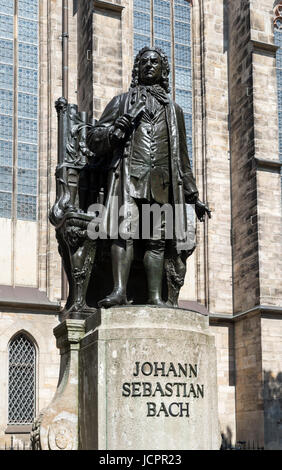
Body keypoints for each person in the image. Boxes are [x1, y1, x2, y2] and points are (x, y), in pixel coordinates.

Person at [86, 47, 210, 308]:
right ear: (137, 68)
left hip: (162, 183)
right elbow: (93, 137)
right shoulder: (121, 102)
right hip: (129, 178)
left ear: (163, 69)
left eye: (155, 62)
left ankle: (155, 297)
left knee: (157, 240)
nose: (149, 65)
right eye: (144, 62)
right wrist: (115, 132)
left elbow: (182, 158)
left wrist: (194, 196)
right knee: (124, 233)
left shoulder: (174, 111)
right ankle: (119, 291)